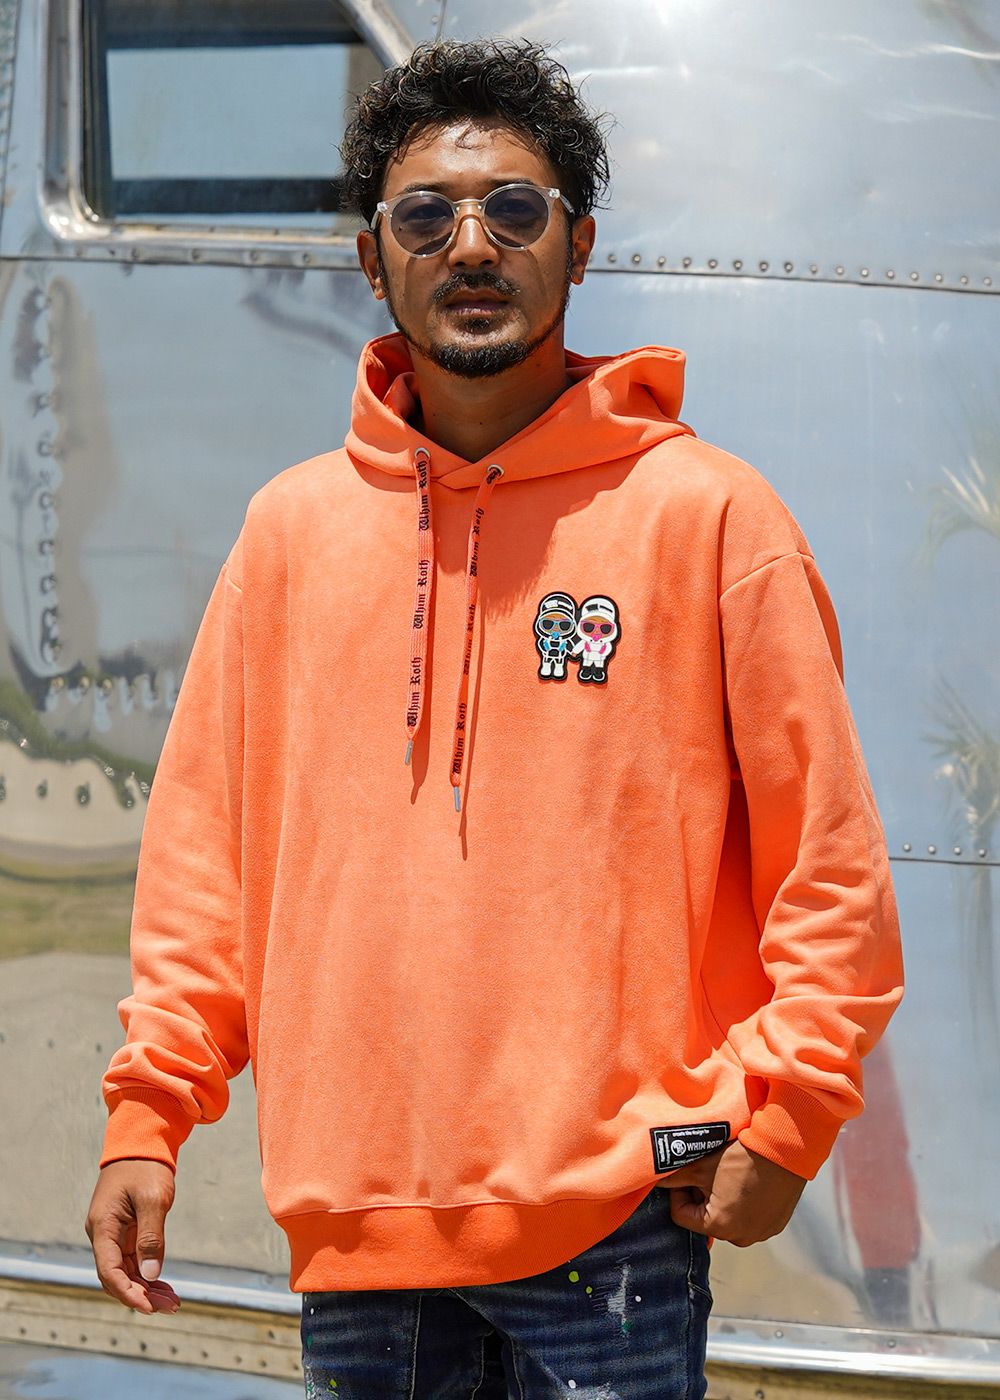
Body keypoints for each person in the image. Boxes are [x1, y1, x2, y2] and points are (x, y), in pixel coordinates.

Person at [85, 37, 904, 1400]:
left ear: (578, 246)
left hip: (623, 1224)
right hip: (357, 1233)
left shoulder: (708, 517)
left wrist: (793, 1111)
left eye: (515, 210)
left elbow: (829, 868)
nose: (472, 245)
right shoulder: (289, 533)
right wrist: (147, 1112)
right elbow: (201, 870)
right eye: (426, 216)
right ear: (373, 260)